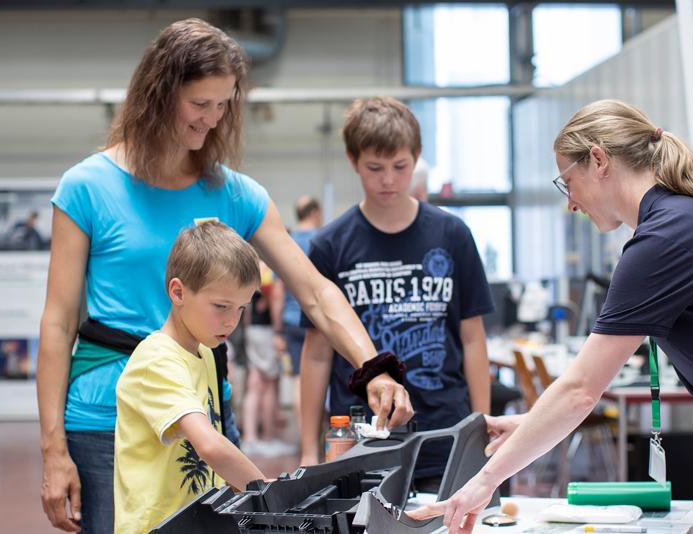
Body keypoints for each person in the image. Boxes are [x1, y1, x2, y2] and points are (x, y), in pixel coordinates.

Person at [408, 99, 693, 533]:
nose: (570, 202)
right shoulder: (679, 222)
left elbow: (580, 390)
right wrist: (531, 426)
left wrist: (483, 482)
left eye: (566, 181)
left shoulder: (665, 238)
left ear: (599, 160)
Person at [37, 19, 412, 534]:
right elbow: (58, 323)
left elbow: (318, 293)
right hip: (106, 421)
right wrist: (53, 449)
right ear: (159, 94)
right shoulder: (87, 187)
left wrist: (375, 369)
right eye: (199, 104)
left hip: (208, 413)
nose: (211, 120)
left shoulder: (236, 194)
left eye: (223, 105)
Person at [298, 96, 494, 492]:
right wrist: (306, 450)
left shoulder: (452, 235)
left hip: (444, 434)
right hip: (359, 438)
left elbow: (473, 339)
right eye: (375, 168)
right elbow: (317, 352)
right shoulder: (329, 245)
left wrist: (481, 431)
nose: (388, 179)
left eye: (400, 167)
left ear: (417, 157)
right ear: (353, 161)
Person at [114, 222, 267, 534]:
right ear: (178, 291)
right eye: (221, 306)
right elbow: (210, 446)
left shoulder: (207, 354)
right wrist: (269, 495)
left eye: (241, 308)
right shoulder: (157, 360)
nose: (231, 320)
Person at [274, 195, 324, 435]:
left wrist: (277, 329)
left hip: (292, 320)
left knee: (298, 378)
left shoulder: (288, 242)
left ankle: (306, 437)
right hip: (320, 321)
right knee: (321, 376)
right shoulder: (323, 240)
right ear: (315, 213)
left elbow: (277, 292)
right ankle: (319, 434)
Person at [240, 261, 295, 457]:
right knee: (270, 384)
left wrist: (247, 329)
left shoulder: (253, 267)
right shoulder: (271, 268)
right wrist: (279, 331)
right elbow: (277, 297)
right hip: (267, 330)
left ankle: (250, 437)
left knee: (255, 384)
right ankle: (268, 439)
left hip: (253, 329)